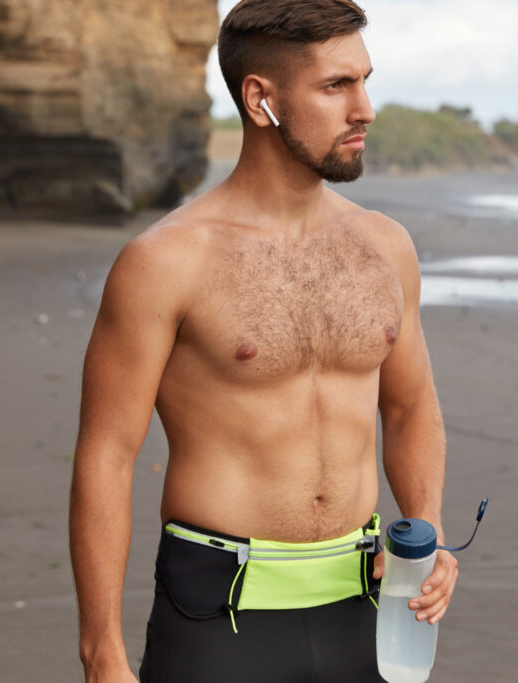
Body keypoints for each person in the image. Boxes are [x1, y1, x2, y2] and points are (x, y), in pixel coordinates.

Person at [68, 1, 458, 680]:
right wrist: (102, 652)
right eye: (336, 86)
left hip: (366, 608)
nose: (364, 109)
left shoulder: (385, 247)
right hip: (218, 616)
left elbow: (409, 407)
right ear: (260, 100)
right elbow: (107, 456)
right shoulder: (165, 261)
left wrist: (427, 529)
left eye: (364, 82)